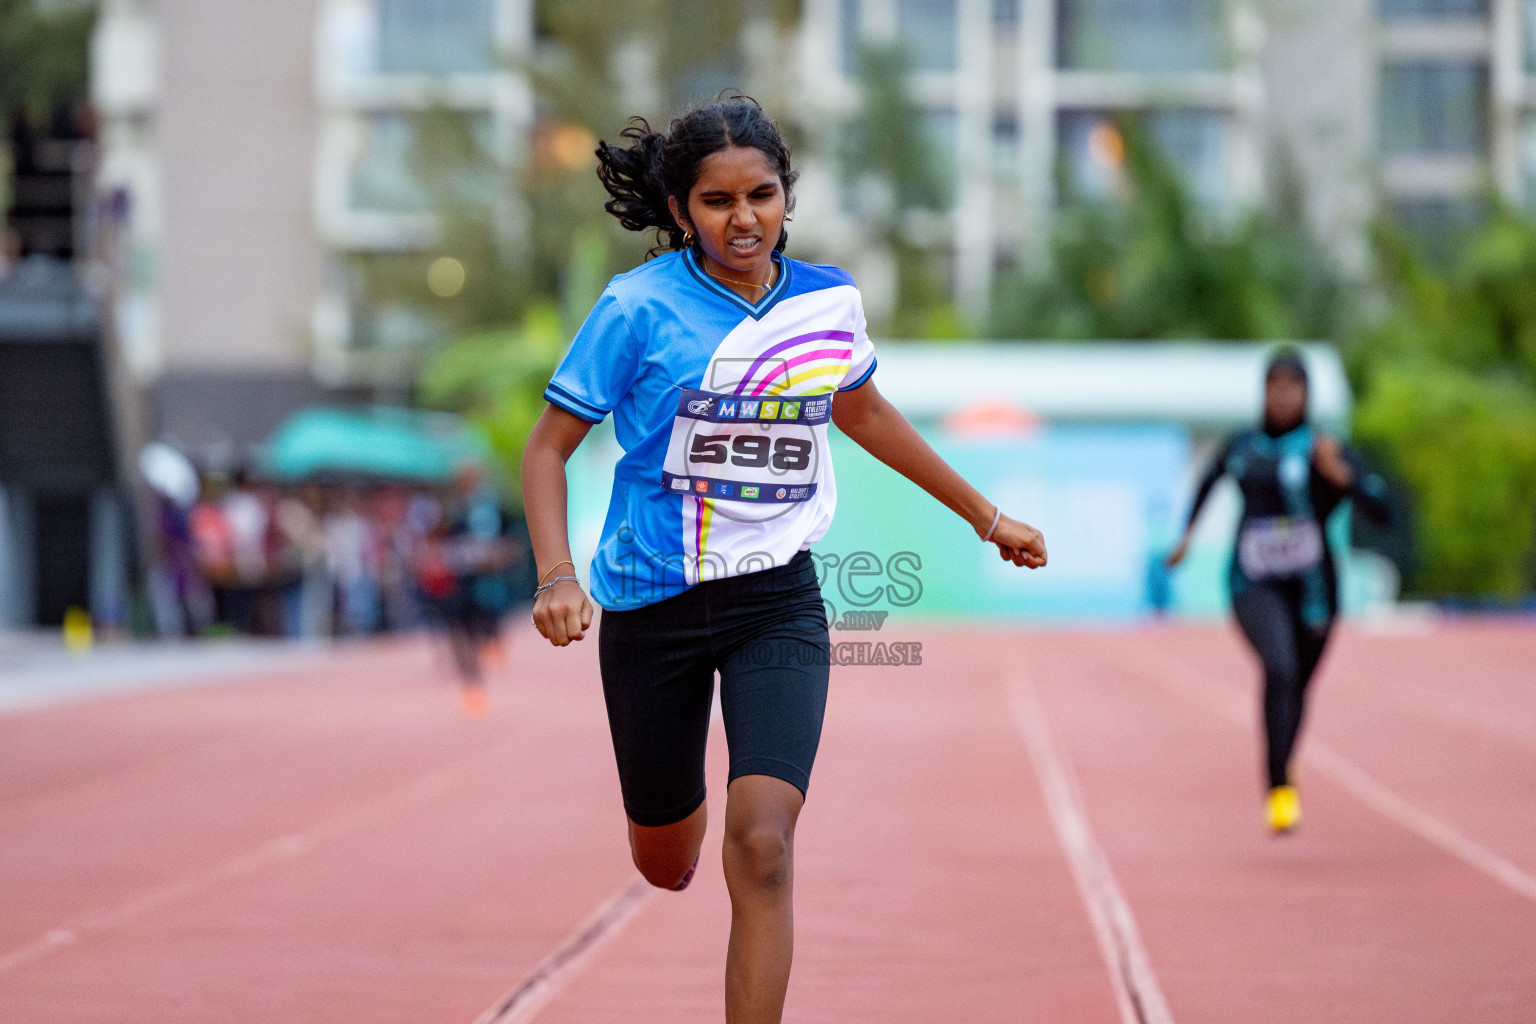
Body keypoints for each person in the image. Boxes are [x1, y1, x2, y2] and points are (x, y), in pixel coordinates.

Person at [521, 96, 1047, 1024]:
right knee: (668, 861)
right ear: (682, 211)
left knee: (762, 844)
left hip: (778, 602)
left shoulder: (827, 303)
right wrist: (558, 574)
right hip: (651, 609)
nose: (743, 218)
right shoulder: (636, 310)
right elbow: (546, 449)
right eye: (717, 201)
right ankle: (664, 836)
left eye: (761, 195)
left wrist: (985, 515)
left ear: (786, 197)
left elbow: (867, 413)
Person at [1166, 348, 1390, 834]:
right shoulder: (1243, 448)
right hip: (1254, 582)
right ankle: (1279, 789)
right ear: (1263, 392)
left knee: (1296, 686)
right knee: (1279, 665)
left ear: (1307, 395)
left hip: (1315, 592)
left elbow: (1383, 509)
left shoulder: (1323, 450)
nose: (1284, 397)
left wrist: (1343, 480)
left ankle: (1285, 762)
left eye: (1295, 388)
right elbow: (1208, 482)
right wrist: (1186, 534)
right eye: (1276, 387)